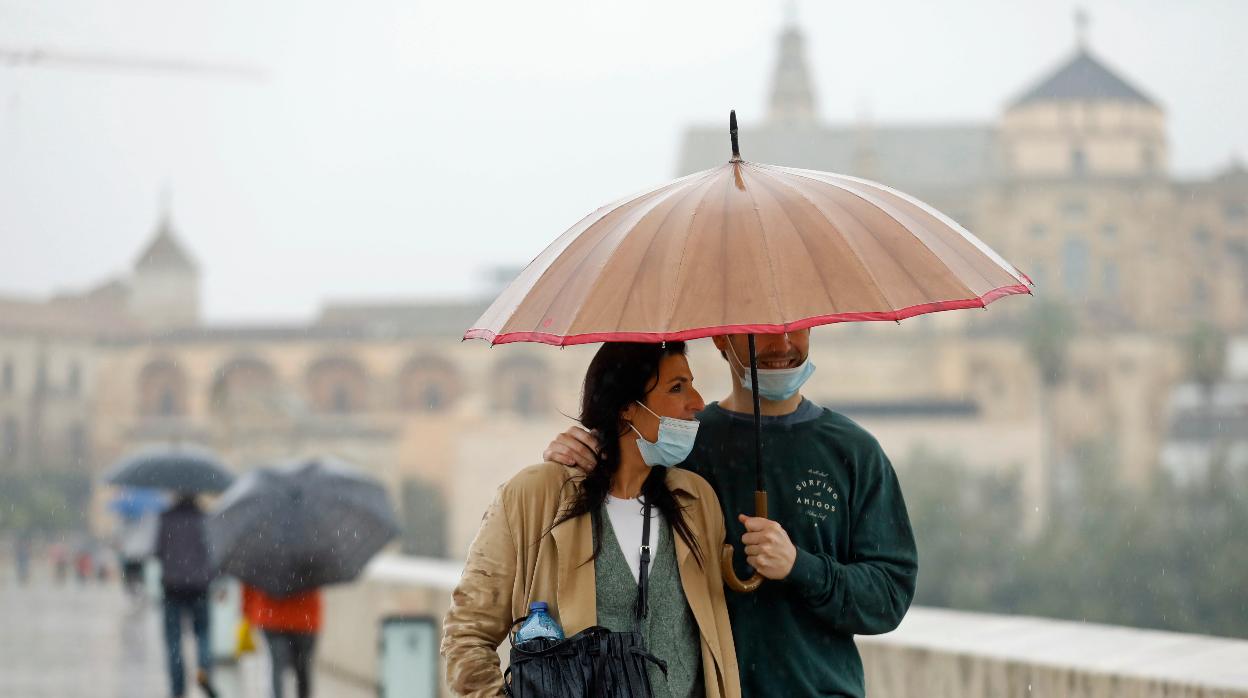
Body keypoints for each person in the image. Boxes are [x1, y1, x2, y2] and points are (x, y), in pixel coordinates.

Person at [543, 331, 918, 698]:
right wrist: (576, 457)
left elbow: (889, 595)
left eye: (794, 328)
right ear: (722, 339)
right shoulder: (678, 443)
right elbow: (615, 511)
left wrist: (801, 567)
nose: (783, 345)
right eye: (762, 332)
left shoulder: (854, 452)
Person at [442, 341, 741, 698]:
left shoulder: (696, 501)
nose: (697, 401)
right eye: (677, 387)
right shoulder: (535, 496)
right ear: (628, 408)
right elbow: (467, 633)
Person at [155, 494, 218, 698]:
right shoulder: (206, 518)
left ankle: (177, 688)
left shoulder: (166, 518)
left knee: (174, 640)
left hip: (172, 586)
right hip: (200, 586)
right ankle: (203, 672)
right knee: (203, 635)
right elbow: (214, 551)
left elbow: (157, 551)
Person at [242, 584, 322, 698]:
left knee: (277, 667)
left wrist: (247, 611)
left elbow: (250, 582)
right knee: (302, 668)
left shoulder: (267, 567)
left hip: (274, 616)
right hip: (304, 616)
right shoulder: (309, 566)